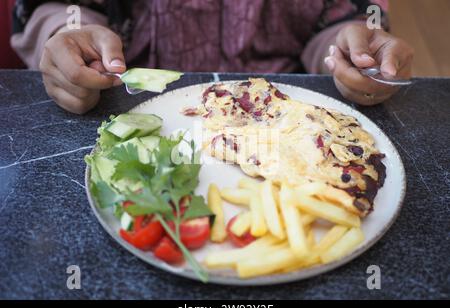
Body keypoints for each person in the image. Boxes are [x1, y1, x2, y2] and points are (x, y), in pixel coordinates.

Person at [10, 0, 414, 114]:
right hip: (135, 100)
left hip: (291, 109)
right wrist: (68, 37)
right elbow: (60, 7)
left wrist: (351, 55)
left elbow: (342, 18)